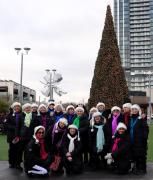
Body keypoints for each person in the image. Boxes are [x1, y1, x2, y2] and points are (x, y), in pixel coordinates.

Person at [129, 104, 149, 175]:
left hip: (140, 141)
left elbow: (145, 130)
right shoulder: (130, 118)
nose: (134, 110)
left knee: (141, 156)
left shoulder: (141, 119)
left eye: (135, 109)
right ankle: (136, 168)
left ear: (138, 110)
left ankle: (142, 169)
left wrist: (144, 139)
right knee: (135, 155)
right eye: (133, 109)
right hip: (132, 140)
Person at [6, 102, 23, 169]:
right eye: (15, 106)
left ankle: (18, 163)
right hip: (12, 136)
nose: (17, 108)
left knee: (19, 150)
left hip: (20, 136)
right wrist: (15, 128)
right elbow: (7, 125)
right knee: (12, 149)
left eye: (18, 106)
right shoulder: (9, 115)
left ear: (20, 108)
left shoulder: (22, 115)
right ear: (13, 108)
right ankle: (11, 163)